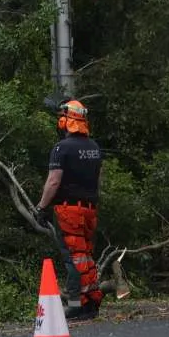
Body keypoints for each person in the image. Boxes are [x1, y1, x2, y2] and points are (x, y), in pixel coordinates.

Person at [34, 99, 103, 321]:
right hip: (90, 208)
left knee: (73, 258)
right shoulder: (94, 147)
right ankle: (92, 300)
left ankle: (76, 304)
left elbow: (54, 181)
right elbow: (98, 180)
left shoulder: (61, 148)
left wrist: (42, 207)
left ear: (66, 121)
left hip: (69, 210)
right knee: (86, 257)